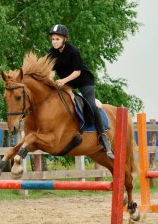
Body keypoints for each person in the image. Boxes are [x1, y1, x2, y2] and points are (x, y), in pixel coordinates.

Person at [47, 24, 111, 152]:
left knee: (92, 106)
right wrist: (49, 81)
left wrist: (63, 81)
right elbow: (51, 71)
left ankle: (102, 135)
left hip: (84, 81)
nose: (54, 42)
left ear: (65, 39)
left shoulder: (73, 51)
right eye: (53, 39)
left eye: (57, 39)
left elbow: (77, 72)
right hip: (67, 82)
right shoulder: (51, 52)